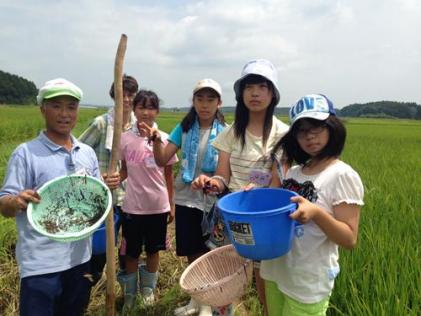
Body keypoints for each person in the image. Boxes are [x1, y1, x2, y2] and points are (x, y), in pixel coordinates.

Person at [191, 59, 289, 316]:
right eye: (248, 87)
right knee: (226, 276)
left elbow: (281, 180)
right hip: (232, 213)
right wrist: (212, 182)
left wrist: (261, 189)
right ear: (240, 93)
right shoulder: (232, 132)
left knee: (264, 277)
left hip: (264, 218)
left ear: (272, 93)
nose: (255, 93)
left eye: (262, 87)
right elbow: (223, 175)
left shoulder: (283, 134)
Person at [0, 78, 100, 316]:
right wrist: (15, 201)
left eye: (71, 107)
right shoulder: (26, 153)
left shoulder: (86, 153)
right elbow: (4, 203)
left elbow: (98, 198)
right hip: (40, 264)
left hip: (79, 260)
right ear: (43, 108)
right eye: (56, 106)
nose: (65, 114)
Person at [261, 94, 364, 316]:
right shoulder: (296, 172)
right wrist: (254, 194)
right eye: (301, 130)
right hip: (277, 271)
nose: (309, 137)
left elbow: (349, 239)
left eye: (316, 127)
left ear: (332, 127)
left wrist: (316, 212)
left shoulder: (342, 175)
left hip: (307, 283)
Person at [140, 78, 226, 316]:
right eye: (200, 99)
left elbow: (225, 172)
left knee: (209, 252)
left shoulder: (226, 133)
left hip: (212, 202)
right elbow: (161, 159)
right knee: (191, 250)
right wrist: (157, 142)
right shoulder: (184, 128)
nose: (205, 104)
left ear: (219, 103)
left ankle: (208, 304)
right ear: (194, 101)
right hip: (187, 199)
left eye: (210, 99)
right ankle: (196, 301)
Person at [106, 89, 178, 311]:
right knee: (131, 251)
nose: (146, 112)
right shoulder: (125, 138)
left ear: (157, 111)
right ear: (134, 110)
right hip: (133, 207)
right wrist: (116, 179)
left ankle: (148, 291)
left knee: (154, 250)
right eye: (141, 107)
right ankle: (129, 294)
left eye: (150, 107)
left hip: (158, 205)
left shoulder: (165, 139)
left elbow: (168, 176)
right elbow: (125, 170)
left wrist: (171, 204)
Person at [79, 74, 138, 283]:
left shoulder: (138, 126)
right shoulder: (102, 124)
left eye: (132, 94)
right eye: (124, 94)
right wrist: (98, 178)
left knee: (128, 249)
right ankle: (91, 284)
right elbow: (77, 155)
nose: (128, 99)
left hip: (131, 199)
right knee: (100, 249)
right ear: (115, 95)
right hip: (104, 199)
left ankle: (126, 289)